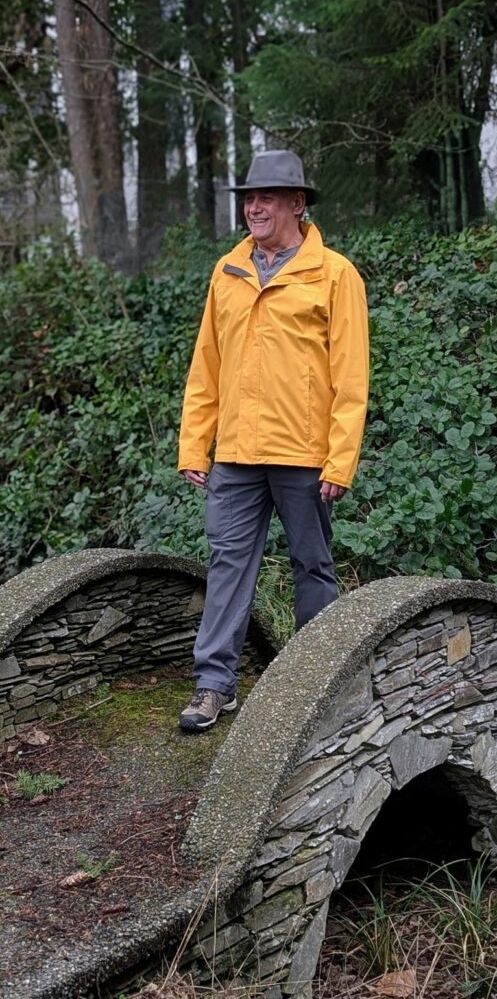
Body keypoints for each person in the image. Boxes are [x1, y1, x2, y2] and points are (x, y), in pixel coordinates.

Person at [177, 149, 369, 732]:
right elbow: (206, 366)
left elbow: (351, 377)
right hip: (235, 452)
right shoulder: (226, 272)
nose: (253, 207)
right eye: (248, 198)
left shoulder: (336, 274)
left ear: (297, 203)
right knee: (228, 564)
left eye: (266, 197)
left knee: (312, 565)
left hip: (304, 455)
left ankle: (314, 687)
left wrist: (340, 459)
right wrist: (195, 444)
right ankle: (214, 686)